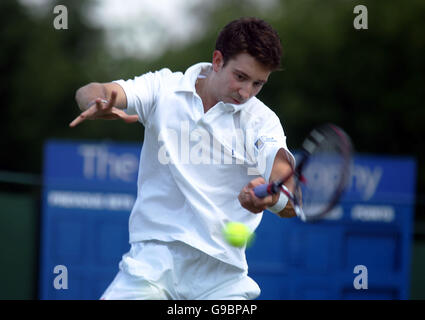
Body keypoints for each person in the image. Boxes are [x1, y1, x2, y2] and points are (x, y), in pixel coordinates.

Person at [70, 17, 298, 300]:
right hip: (151, 264)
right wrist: (97, 101)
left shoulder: (262, 121)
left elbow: (287, 188)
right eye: (240, 77)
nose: (246, 92)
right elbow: (92, 90)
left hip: (222, 280)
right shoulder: (163, 87)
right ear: (217, 60)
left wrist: (271, 199)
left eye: (258, 83)